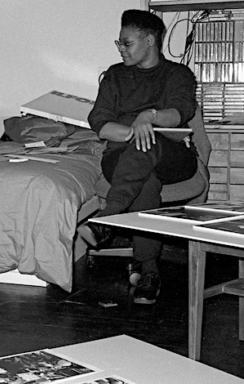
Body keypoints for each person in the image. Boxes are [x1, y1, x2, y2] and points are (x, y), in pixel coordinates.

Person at [78, 9, 199, 305]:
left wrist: (149, 117)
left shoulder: (178, 74)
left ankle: (108, 218)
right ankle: (148, 269)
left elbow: (180, 112)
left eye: (126, 43)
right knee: (145, 178)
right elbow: (100, 123)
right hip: (122, 157)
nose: (120, 49)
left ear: (148, 40)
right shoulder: (115, 76)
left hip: (172, 157)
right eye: (118, 43)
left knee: (151, 142)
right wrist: (136, 132)